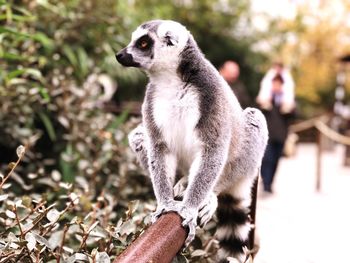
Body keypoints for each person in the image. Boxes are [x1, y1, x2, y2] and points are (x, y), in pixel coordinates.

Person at [256, 63, 296, 193]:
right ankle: (266, 183)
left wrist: (290, 108)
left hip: (280, 135)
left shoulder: (285, 102)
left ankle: (269, 184)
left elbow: (294, 115)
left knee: (275, 161)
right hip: (267, 136)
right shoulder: (266, 100)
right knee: (267, 159)